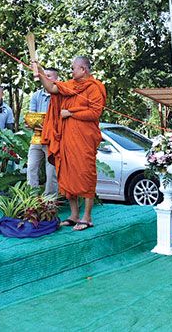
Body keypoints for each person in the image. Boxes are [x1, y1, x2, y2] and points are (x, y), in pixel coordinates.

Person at [34, 56, 106, 232]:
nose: (71, 71)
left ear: (83, 69)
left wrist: (71, 113)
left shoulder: (95, 87)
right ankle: (74, 215)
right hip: (66, 139)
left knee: (86, 174)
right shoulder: (70, 85)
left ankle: (87, 217)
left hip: (84, 140)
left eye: (74, 68)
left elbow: (95, 113)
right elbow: (51, 87)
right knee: (66, 174)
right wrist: (40, 71)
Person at [26, 67, 60, 195]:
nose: (45, 78)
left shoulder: (59, 95)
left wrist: (45, 124)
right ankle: (32, 198)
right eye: (44, 75)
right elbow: (32, 115)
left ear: (56, 79)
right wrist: (31, 122)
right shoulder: (36, 95)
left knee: (51, 170)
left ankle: (49, 201)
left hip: (52, 139)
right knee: (31, 167)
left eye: (49, 76)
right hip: (37, 137)